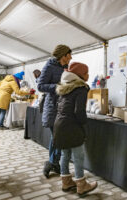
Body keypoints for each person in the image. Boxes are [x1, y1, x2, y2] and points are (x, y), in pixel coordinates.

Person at [54, 62, 97, 195]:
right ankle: (81, 185)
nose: (88, 75)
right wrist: (84, 125)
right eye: (86, 73)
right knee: (78, 156)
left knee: (65, 154)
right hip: (72, 126)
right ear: (79, 75)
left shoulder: (65, 86)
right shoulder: (81, 88)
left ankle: (66, 182)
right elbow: (79, 111)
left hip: (59, 124)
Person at [37, 44, 72, 178]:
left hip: (62, 106)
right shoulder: (49, 66)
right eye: (69, 55)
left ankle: (54, 163)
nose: (71, 57)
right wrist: (57, 87)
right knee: (56, 136)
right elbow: (40, 86)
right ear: (63, 55)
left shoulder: (65, 67)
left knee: (58, 136)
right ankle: (51, 163)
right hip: (52, 107)